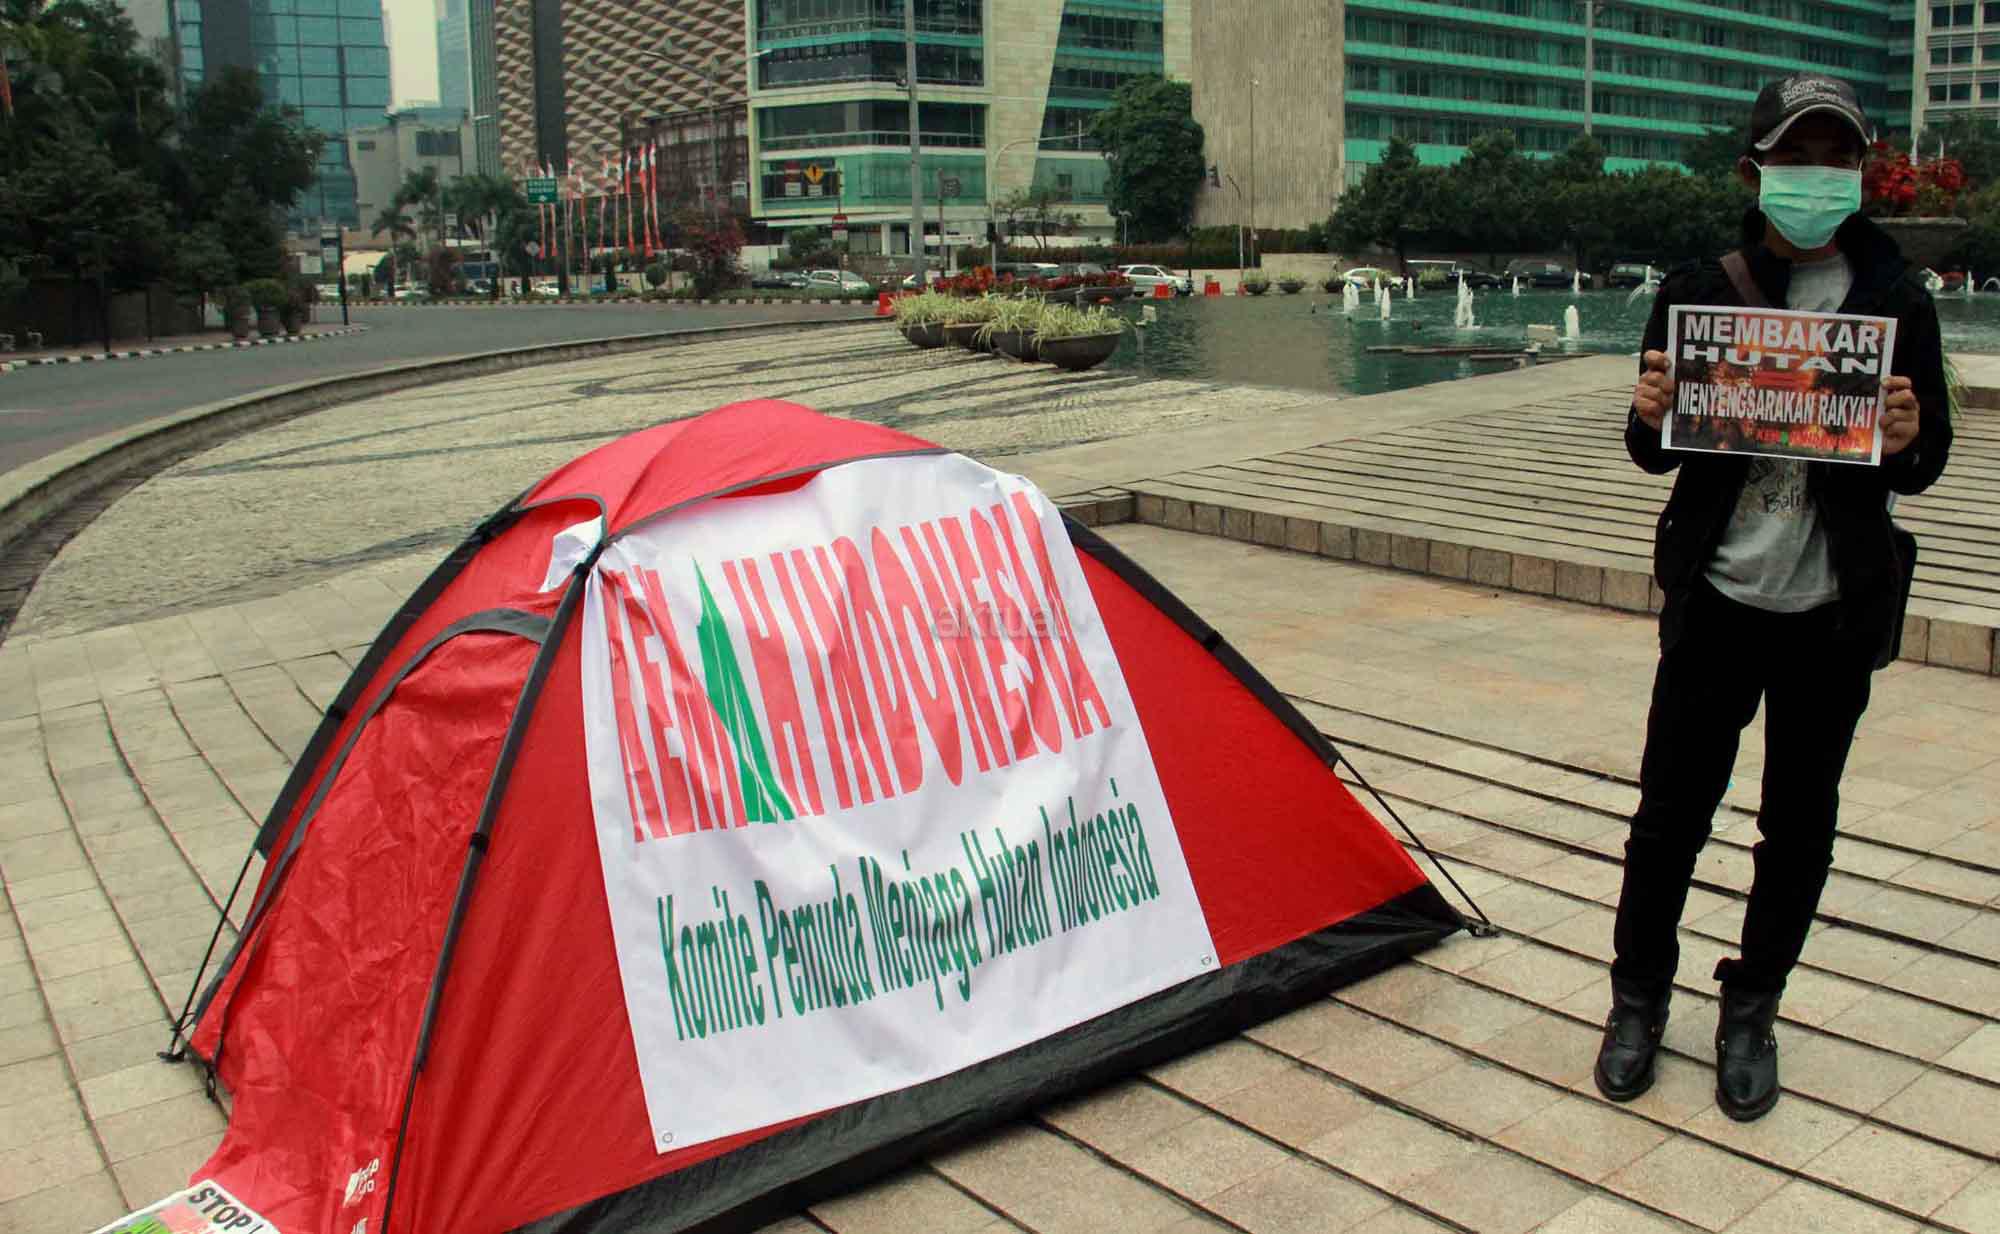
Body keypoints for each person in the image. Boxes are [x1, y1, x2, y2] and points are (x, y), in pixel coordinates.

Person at [1597, 73, 1953, 1122]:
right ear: (1753, 172)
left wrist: (1904, 438)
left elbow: (1923, 457)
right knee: (1668, 818)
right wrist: (1648, 412)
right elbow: (1652, 449)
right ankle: (1636, 999)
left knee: (1797, 830)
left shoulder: (1897, 299)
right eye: (1796, 157)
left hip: (1831, 613)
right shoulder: (1697, 288)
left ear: (1862, 172)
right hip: (1716, 598)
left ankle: (1751, 1007)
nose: (1817, 176)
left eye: (1837, 158)